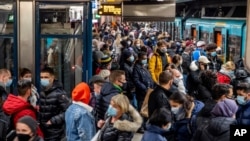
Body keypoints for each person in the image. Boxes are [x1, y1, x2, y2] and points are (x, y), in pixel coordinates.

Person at [39, 67, 71, 140]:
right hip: (42, 130)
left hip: (55, 132)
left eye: (46, 77)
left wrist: (53, 120)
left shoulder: (59, 93)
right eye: (42, 77)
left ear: (52, 77)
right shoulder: (41, 91)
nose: (43, 79)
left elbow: (68, 110)